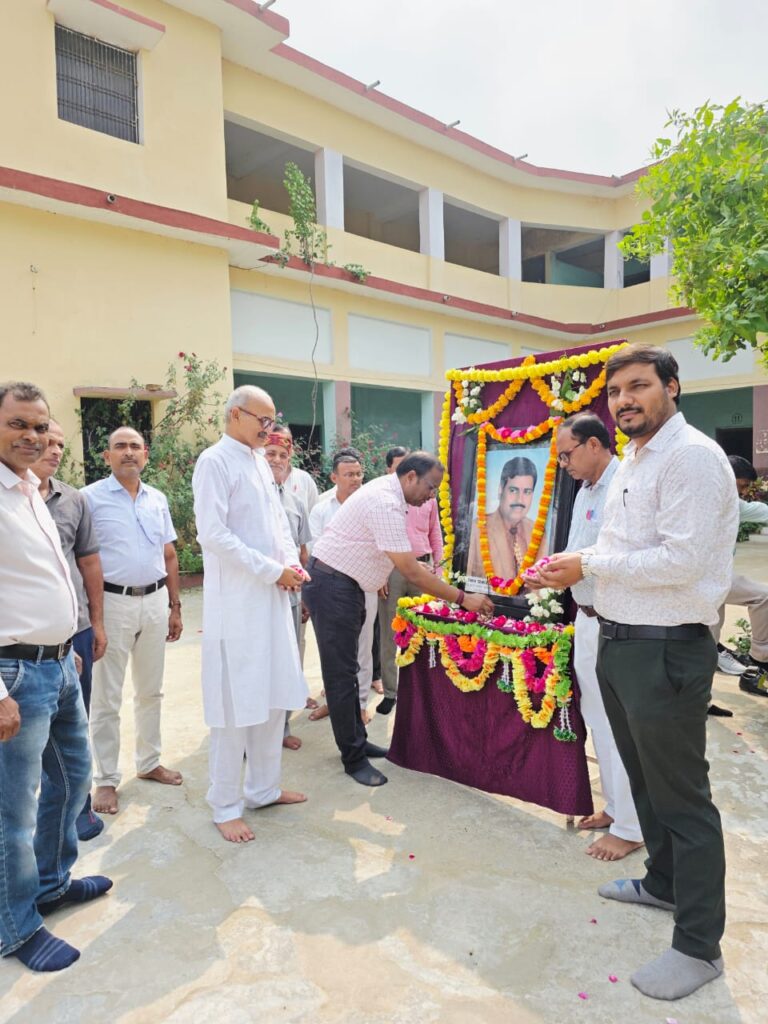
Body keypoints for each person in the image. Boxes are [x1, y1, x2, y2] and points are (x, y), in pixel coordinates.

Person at [534, 344, 738, 1001]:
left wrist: (592, 567)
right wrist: (580, 557)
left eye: (639, 386)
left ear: (672, 388)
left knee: (682, 798)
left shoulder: (693, 459)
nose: (624, 399)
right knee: (646, 785)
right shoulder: (632, 461)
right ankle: (664, 884)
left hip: (667, 647)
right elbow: (622, 548)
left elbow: (680, 561)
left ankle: (700, 946)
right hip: (620, 644)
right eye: (616, 390)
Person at [0, 381, 111, 973]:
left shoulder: (28, 492)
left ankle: (50, 882)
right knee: (12, 812)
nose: (32, 437)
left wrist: (67, 643)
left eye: (39, 427)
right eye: (19, 424)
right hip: (11, 673)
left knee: (73, 778)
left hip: (57, 662)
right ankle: (15, 928)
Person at [303, 451, 495, 787]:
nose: (431, 496)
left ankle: (357, 741)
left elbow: (400, 558)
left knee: (351, 672)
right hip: (333, 586)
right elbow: (410, 571)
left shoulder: (391, 494)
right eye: (431, 487)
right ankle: (352, 758)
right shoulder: (386, 501)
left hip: (346, 585)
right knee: (341, 675)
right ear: (410, 477)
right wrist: (464, 599)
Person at [193, 385, 309, 843]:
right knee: (235, 705)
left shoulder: (260, 461)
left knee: (271, 696)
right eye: (262, 419)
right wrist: (271, 569)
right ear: (235, 415)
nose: (270, 427)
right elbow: (213, 534)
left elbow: (278, 523)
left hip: (272, 599)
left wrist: (292, 565)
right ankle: (224, 804)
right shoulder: (215, 461)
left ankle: (263, 789)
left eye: (272, 419)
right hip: (238, 606)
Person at [83, 427, 183, 816]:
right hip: (112, 603)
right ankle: (105, 779)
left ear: (146, 454)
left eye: (135, 447)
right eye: (119, 447)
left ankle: (148, 762)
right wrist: (94, 618)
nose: (128, 453)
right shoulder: (89, 499)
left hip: (156, 601)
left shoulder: (156, 499)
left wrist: (174, 606)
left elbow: (170, 555)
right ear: (106, 456)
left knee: (151, 690)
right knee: (106, 697)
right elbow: (83, 562)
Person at [555, 412, 643, 861]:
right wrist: (553, 570)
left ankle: (632, 827)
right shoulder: (585, 488)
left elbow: (621, 555)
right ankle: (616, 808)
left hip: (617, 621)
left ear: (594, 445)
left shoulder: (623, 485)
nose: (563, 464)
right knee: (598, 719)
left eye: (567, 454)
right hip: (587, 617)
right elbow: (579, 549)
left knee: (620, 725)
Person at [30, 420, 108, 841]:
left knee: (73, 728)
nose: (56, 450)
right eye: (49, 441)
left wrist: (96, 622)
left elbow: (89, 563)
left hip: (73, 631)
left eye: (62, 443)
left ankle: (78, 809)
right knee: (27, 737)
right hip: (21, 646)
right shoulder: (12, 500)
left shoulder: (73, 499)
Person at [308, 451, 377, 723]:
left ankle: (359, 704)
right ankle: (334, 704)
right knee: (331, 649)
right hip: (331, 590)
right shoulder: (321, 509)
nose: (356, 479)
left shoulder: (372, 505)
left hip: (365, 586)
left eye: (359, 473)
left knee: (363, 646)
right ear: (334, 477)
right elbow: (314, 550)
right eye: (349, 474)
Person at [377, 456, 443, 716]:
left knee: (424, 633)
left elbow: (435, 533)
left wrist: (439, 570)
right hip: (392, 570)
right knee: (390, 633)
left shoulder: (428, 500)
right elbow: (378, 538)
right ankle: (391, 692)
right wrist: (380, 573)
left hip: (423, 569)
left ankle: (421, 690)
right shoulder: (388, 501)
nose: (430, 491)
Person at [264, 430, 313, 749]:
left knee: (288, 659)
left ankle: (281, 729)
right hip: (259, 595)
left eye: (283, 455)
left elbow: (304, 552)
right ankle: (252, 734)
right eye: (270, 454)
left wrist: (305, 595)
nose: (277, 461)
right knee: (258, 662)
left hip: (292, 596)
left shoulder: (296, 501)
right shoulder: (248, 499)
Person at [711, 455, 768, 698]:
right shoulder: (722, 501)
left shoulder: (728, 501)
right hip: (709, 576)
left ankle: (702, 702)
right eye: (741, 485)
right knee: (763, 596)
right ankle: (760, 661)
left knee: (708, 642)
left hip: (713, 579)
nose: (743, 492)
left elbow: (762, 511)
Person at [466, 455, 544, 580]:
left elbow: (542, 585)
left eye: (527, 492)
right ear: (500, 489)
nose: (520, 499)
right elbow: (465, 583)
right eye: (513, 490)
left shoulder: (537, 531)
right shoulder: (477, 529)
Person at [270, 423, 319, 513]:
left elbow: (314, 515)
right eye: (272, 453)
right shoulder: (258, 479)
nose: (277, 460)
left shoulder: (304, 479)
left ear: (291, 449)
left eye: (286, 441)